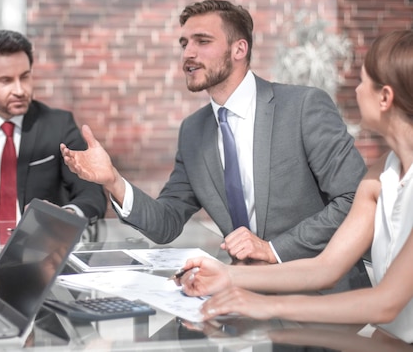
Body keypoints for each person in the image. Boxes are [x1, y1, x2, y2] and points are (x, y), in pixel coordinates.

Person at [60, 0, 369, 290]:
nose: (188, 54)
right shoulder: (194, 131)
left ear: (239, 49)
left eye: (202, 41)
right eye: (184, 44)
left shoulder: (302, 107)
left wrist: (273, 249)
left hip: (320, 292)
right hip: (244, 294)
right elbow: (166, 222)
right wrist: (113, 180)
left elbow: (354, 198)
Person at [176, 30, 413, 343]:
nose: (354, 91)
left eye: (362, 82)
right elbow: (324, 268)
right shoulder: (381, 172)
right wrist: (226, 274)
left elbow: (385, 303)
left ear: (384, 97)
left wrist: (264, 303)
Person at [0, 29, 107, 243]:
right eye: (6, 80)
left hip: (49, 254)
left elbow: (92, 194)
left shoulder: (59, 126)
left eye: (25, 77)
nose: (20, 90)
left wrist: (65, 216)